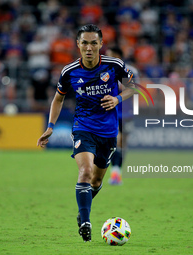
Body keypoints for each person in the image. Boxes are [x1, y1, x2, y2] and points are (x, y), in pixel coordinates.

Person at [37, 24, 135, 242]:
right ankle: (86, 221)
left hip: (108, 132)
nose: (89, 47)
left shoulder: (114, 65)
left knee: (96, 182)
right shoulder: (69, 72)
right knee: (85, 172)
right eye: (85, 43)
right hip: (83, 127)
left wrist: (118, 98)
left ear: (101, 44)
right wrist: (50, 127)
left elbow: (133, 86)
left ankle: (83, 210)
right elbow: (58, 98)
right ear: (78, 45)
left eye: (93, 43)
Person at [105, 46, 139, 185]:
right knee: (116, 140)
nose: (106, 58)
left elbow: (133, 89)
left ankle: (117, 171)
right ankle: (115, 173)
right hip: (111, 111)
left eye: (109, 55)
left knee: (123, 143)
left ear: (117, 56)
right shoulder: (104, 69)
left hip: (127, 112)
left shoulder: (130, 70)